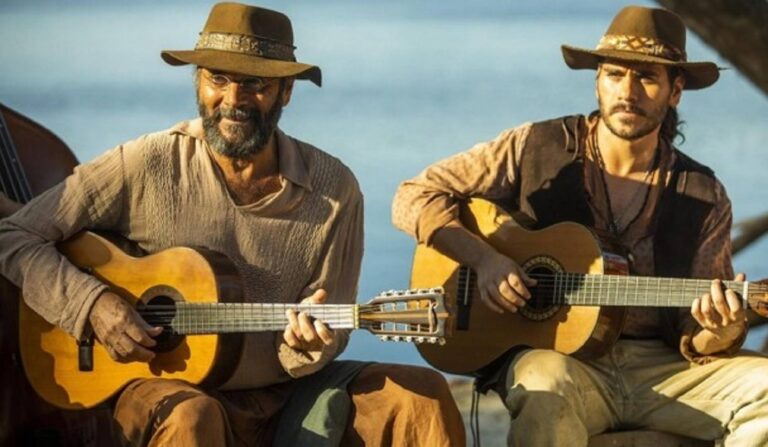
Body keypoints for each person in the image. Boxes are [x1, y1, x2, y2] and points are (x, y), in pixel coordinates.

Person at [0, 3, 464, 446]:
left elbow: (326, 333)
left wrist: (306, 346)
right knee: (191, 417)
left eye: (255, 84)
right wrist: (93, 305)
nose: (232, 100)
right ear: (198, 82)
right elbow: (14, 235)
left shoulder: (334, 188)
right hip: (162, 388)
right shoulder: (146, 162)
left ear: (286, 91)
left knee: (419, 396)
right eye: (217, 79)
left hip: (286, 393)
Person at [392, 5, 768, 446]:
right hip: (560, 358)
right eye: (614, 75)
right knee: (544, 383)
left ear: (676, 91)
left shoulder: (704, 195)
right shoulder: (534, 146)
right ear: (597, 81)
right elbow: (411, 197)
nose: (628, 92)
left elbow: (699, 338)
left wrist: (720, 330)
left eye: (647, 77)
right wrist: (486, 260)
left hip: (663, 369)